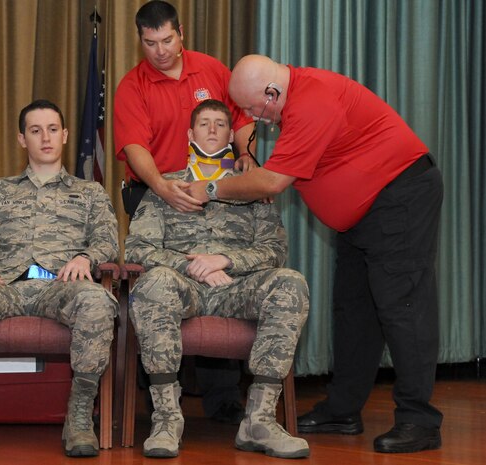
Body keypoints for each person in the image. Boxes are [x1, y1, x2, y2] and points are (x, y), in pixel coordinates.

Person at [186, 54, 444, 454]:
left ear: (271, 92)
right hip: (364, 213)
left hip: (399, 197)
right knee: (353, 309)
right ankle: (343, 409)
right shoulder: (295, 96)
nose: (254, 117)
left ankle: (419, 420)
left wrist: (211, 188)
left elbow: (272, 181)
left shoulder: (311, 102)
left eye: (254, 108)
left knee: (403, 306)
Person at [0, 99, 119, 459]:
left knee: (97, 301)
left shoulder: (90, 192)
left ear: (65, 135)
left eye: (52, 129)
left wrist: (86, 257)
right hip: (5, 286)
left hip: (62, 286)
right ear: (22, 139)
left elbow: (107, 242)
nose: (45, 138)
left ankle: (79, 418)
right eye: (35, 131)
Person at [125, 99, 310, 459]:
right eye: (204, 124)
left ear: (230, 134)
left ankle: (259, 420)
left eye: (220, 124)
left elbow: (274, 250)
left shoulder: (253, 187)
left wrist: (225, 259)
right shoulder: (166, 188)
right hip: (183, 286)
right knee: (153, 283)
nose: (212, 130)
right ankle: (166, 420)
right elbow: (137, 248)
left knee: (290, 282)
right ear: (190, 134)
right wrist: (189, 266)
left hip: (236, 286)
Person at [114, 0, 256, 424]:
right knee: (161, 280)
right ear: (140, 39)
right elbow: (135, 146)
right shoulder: (132, 85)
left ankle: (223, 397)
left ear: (182, 34)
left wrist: (247, 156)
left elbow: (242, 117)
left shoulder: (212, 70)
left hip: (217, 192)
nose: (159, 50)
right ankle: (158, 395)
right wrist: (161, 187)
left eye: (167, 40)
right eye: (150, 42)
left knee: (220, 279)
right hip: (157, 194)